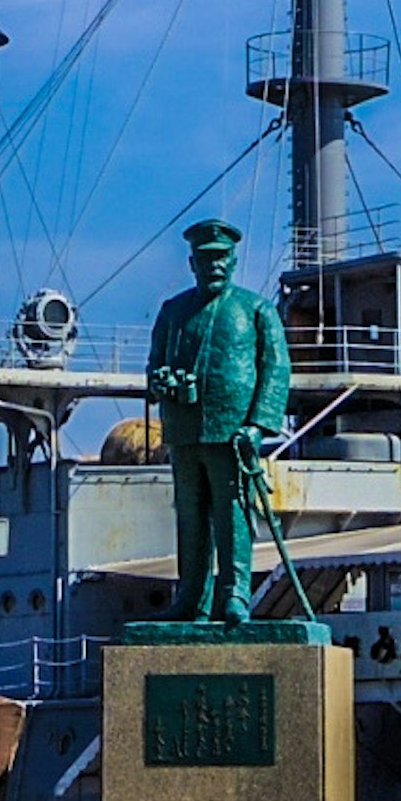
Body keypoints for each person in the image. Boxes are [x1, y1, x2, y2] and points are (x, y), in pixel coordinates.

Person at [142, 214, 292, 622]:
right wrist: (162, 382)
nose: (215, 266)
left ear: (234, 260)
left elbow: (276, 370)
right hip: (185, 432)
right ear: (192, 263)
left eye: (222, 258)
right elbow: (153, 365)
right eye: (206, 259)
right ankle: (191, 597)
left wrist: (258, 425)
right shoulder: (173, 312)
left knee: (233, 515)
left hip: (233, 433)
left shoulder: (255, 309)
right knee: (190, 517)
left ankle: (235, 595)